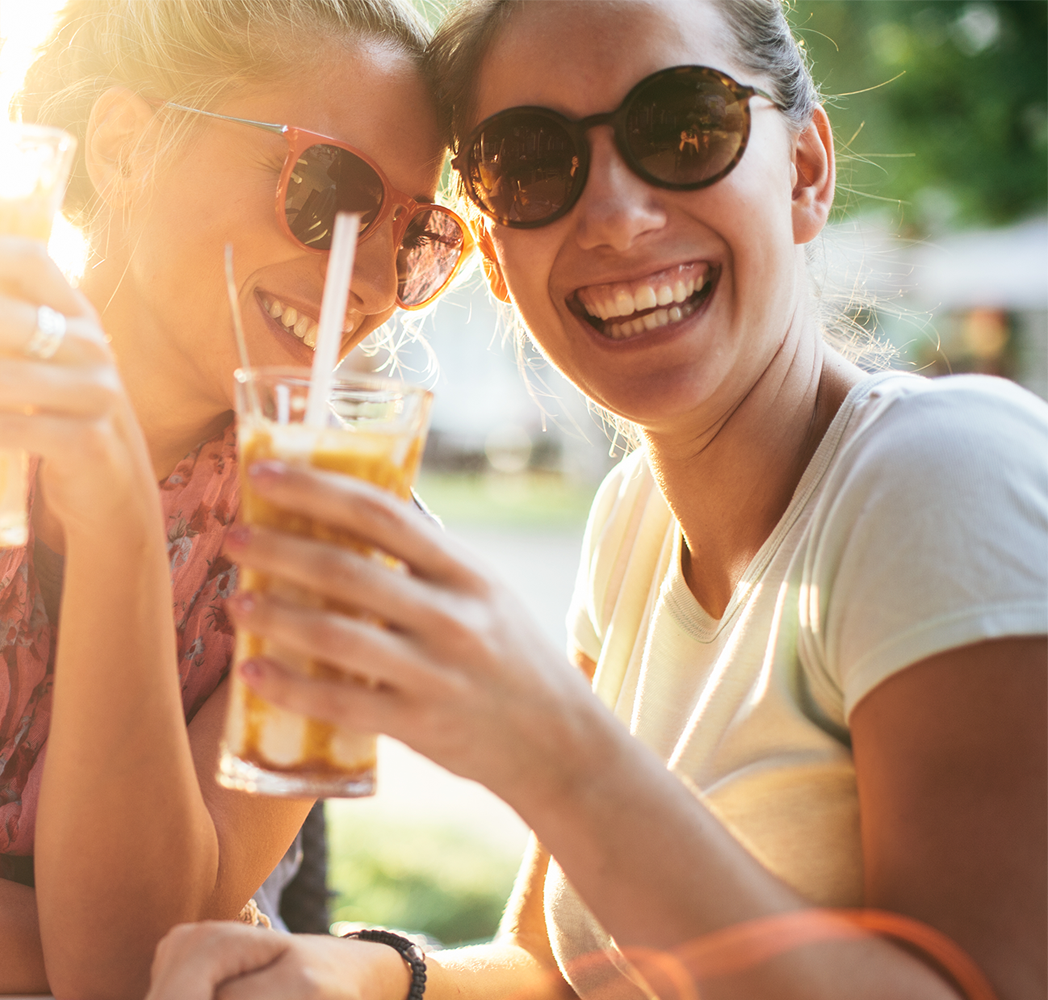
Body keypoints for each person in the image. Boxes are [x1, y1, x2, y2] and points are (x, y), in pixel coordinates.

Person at [144, 1, 1048, 998]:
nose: (616, 215)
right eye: (530, 162)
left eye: (684, 127)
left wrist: (552, 753)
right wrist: (360, 975)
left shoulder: (941, 472)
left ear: (804, 170)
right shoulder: (634, 523)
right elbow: (550, 967)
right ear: (495, 255)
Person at [0, 1, 469, 996]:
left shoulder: (344, 530)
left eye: (419, 236)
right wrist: (148, 943)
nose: (371, 278)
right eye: (332, 189)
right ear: (126, 145)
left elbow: (122, 964)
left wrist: (117, 517)